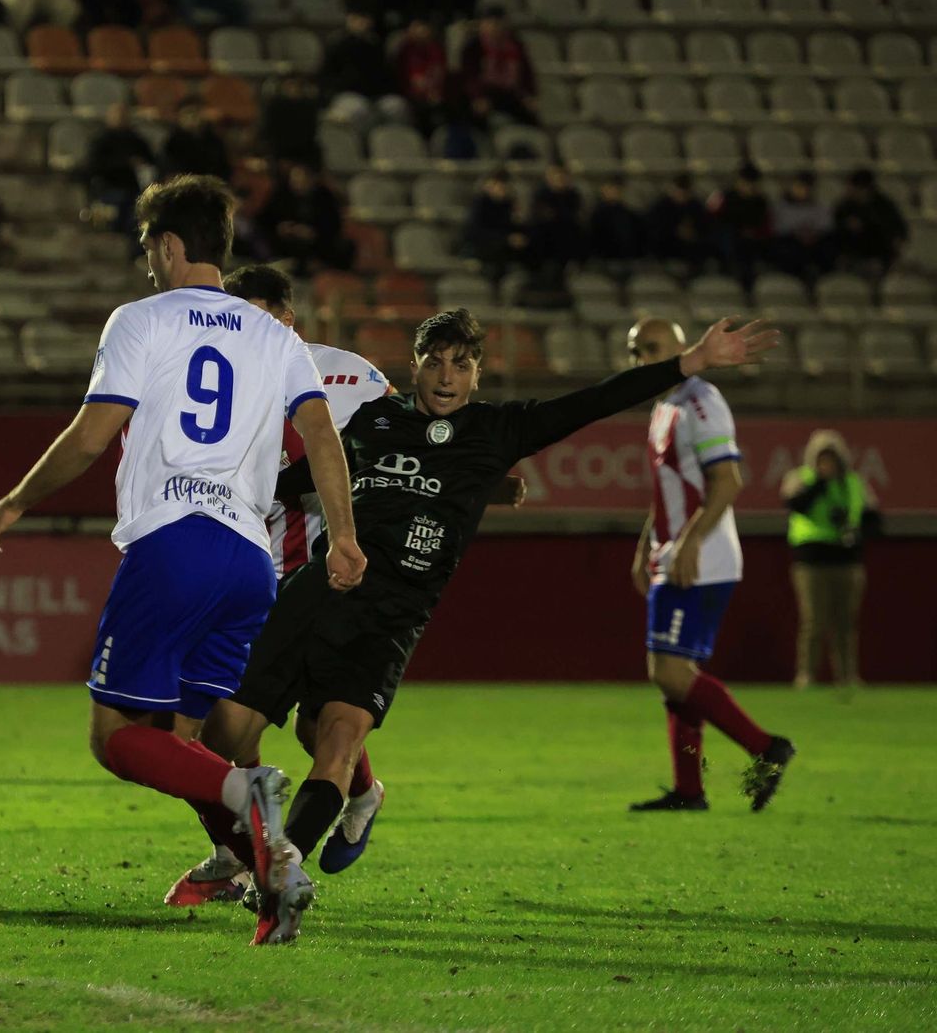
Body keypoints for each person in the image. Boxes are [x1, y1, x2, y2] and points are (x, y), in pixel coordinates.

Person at [197, 308, 781, 943]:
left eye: (462, 364)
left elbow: (595, 401)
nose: (447, 376)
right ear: (414, 367)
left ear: (478, 374)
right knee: (223, 733)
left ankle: (281, 875)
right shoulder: (373, 421)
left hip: (391, 616)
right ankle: (251, 845)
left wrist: (691, 362)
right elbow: (306, 474)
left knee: (339, 741)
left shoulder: (499, 429)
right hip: (319, 591)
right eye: (435, 362)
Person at [0, 176, 367, 937]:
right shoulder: (276, 336)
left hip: (174, 543)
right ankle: (273, 873)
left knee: (116, 737)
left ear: (170, 246)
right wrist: (343, 535)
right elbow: (321, 436)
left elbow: (92, 433)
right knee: (185, 744)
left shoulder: (141, 319)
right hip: (250, 562)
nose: (147, 261)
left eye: (148, 246)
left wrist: (15, 500)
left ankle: (249, 796)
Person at [167, 265, 529, 908]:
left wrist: (488, 482)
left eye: (253, 317)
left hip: (324, 572)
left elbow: (416, 446)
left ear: (286, 321)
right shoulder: (206, 376)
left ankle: (285, 837)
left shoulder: (348, 378)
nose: (237, 331)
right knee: (223, 730)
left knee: (317, 729)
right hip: (240, 571)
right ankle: (254, 847)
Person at [625, 317, 796, 814]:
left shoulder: (700, 401)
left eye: (652, 347)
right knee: (675, 676)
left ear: (682, 348)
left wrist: (690, 544)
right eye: (635, 351)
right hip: (674, 553)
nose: (642, 359)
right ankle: (688, 790)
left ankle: (766, 747)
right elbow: (670, 487)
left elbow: (728, 481)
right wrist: (645, 545)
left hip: (700, 559)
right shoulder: (663, 405)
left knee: (671, 672)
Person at [783, 430, 880, 690]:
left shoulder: (854, 483)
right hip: (811, 561)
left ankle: (848, 676)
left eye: (832, 459)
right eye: (822, 459)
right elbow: (795, 504)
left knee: (846, 622)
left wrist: (856, 533)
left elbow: (874, 519)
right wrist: (820, 483)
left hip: (847, 560)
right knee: (814, 621)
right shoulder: (801, 479)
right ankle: (806, 675)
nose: (827, 464)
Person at [257, 162, 353, 275]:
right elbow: (265, 220)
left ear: (312, 179)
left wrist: (313, 233)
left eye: (302, 178)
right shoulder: (281, 195)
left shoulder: (325, 197)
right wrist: (281, 228)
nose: (298, 182)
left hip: (318, 243)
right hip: (287, 243)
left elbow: (334, 225)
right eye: (294, 178)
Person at [318, 12, 407, 129]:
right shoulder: (337, 44)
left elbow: (385, 74)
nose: (361, 23)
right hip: (346, 94)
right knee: (359, 109)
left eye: (365, 19)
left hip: (375, 96)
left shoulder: (375, 45)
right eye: (357, 19)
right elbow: (328, 76)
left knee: (397, 106)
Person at [459, 7, 538, 127]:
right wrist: (477, 97)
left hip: (510, 93)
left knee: (530, 119)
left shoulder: (515, 45)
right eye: (490, 23)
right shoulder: (473, 47)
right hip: (485, 92)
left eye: (498, 23)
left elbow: (526, 73)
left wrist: (529, 95)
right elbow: (469, 76)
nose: (494, 27)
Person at [84, 102, 155, 236]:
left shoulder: (136, 140)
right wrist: (125, 164)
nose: (121, 118)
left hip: (134, 188)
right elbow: (94, 167)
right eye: (117, 115)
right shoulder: (101, 141)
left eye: (124, 115)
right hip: (109, 188)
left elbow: (150, 161)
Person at [833, 168, 908, 277]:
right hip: (851, 254)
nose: (849, 190)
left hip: (878, 254)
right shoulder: (845, 206)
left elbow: (898, 230)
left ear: (864, 189)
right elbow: (835, 227)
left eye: (853, 188)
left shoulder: (884, 205)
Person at [707, 164, 771, 290]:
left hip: (752, 241)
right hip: (728, 240)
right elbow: (713, 220)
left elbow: (764, 226)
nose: (748, 187)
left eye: (751, 183)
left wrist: (753, 232)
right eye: (745, 182)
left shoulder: (760, 201)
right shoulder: (724, 197)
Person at [458, 168, 525, 281]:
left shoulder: (508, 205)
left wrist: (518, 222)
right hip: (481, 248)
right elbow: (473, 232)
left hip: (502, 248)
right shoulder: (480, 204)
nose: (500, 188)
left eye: (503, 185)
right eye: (496, 184)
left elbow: (512, 229)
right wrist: (506, 239)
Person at [526, 163, 585, 287]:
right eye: (555, 176)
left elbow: (574, 222)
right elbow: (540, 222)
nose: (559, 180)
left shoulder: (573, 197)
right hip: (544, 249)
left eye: (562, 177)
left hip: (567, 247)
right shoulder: (540, 197)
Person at [770, 172, 834, 283]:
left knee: (828, 249)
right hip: (791, 241)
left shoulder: (818, 206)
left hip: (815, 241)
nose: (802, 191)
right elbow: (778, 228)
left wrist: (812, 234)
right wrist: (797, 234)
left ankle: (824, 283)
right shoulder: (782, 206)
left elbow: (826, 226)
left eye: (805, 188)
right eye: (798, 187)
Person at [394, 19, 451, 138]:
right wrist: (421, 93)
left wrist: (436, 92)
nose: (421, 31)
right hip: (412, 97)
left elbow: (441, 75)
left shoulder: (436, 49)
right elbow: (403, 79)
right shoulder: (405, 50)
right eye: (417, 27)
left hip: (435, 96)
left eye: (424, 27)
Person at [645, 174, 709, 273]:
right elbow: (654, 229)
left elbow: (704, 227)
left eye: (685, 193)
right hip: (666, 247)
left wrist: (692, 233)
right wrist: (675, 231)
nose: (681, 196)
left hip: (691, 249)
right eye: (679, 192)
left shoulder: (695, 206)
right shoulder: (661, 206)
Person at [160, 99, 231, 182]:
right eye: (186, 114)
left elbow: (223, 169)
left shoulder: (214, 141)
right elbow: (170, 172)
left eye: (195, 113)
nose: (191, 118)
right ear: (179, 117)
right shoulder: (172, 143)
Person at [587, 179, 644, 280]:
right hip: (606, 258)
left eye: (616, 190)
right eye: (610, 189)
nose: (613, 192)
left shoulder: (628, 213)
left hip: (627, 257)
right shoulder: (597, 214)